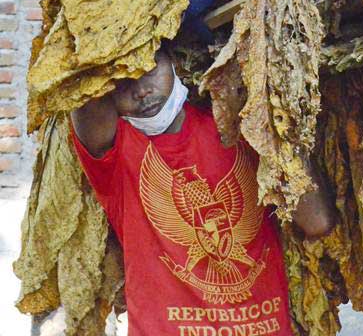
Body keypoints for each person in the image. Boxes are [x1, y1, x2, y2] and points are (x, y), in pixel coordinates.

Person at [70, 46, 336, 336]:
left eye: (148, 70)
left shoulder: (242, 131)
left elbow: (317, 222)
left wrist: (278, 123)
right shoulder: (119, 155)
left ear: (174, 60)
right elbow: (83, 85)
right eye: (123, 82)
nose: (141, 90)